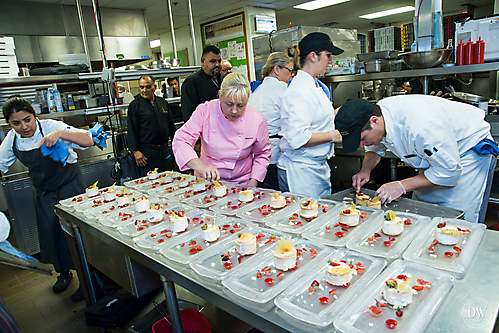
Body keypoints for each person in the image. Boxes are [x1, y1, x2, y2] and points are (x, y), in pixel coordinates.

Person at [335, 96, 497, 223]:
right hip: (434, 158)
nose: (362, 145)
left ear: (374, 121)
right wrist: (366, 169)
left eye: (362, 139)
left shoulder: (422, 126)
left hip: (466, 154)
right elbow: (375, 146)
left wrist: (400, 186)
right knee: (423, 211)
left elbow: (449, 171)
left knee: (455, 217)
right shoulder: (378, 116)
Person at [0, 96, 94, 300]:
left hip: (69, 186)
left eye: (27, 119)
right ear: (9, 123)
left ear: (34, 116)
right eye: (16, 123)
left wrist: (59, 134)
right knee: (51, 232)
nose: (24, 126)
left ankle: (88, 280)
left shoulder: (52, 125)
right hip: (44, 191)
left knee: (75, 234)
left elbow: (88, 140)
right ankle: (64, 273)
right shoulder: (12, 139)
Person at [173, 73, 271, 186]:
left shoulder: (256, 119)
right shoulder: (205, 111)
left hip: (242, 183)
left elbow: (263, 153)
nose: (234, 111)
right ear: (220, 95)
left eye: (240, 106)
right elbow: (181, 140)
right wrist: (200, 167)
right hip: (207, 181)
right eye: (229, 104)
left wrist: (254, 181)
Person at [277, 32, 343, 198]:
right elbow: (297, 137)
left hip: (314, 167)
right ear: (313, 56)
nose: (331, 60)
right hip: (300, 171)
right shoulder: (300, 90)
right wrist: (332, 135)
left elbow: (313, 119)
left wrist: (334, 115)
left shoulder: (313, 85)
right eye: (328, 55)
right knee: (305, 218)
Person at [247, 52, 294, 190]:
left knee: (267, 198)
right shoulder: (284, 90)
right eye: (290, 70)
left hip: (257, 156)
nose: (292, 75)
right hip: (277, 155)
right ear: (277, 69)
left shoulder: (255, 92)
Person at [127, 75, 177, 176]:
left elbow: (171, 126)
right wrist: (136, 151)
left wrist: (177, 145)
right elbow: (131, 130)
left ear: (154, 87)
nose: (144, 90)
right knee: (151, 182)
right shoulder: (135, 105)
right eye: (141, 87)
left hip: (164, 150)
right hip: (147, 154)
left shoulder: (162, 102)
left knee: (170, 178)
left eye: (148, 87)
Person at [181, 45, 222, 122]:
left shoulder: (223, 80)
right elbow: (188, 114)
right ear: (203, 61)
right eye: (213, 61)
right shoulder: (192, 82)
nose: (217, 64)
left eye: (219, 61)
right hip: (204, 129)